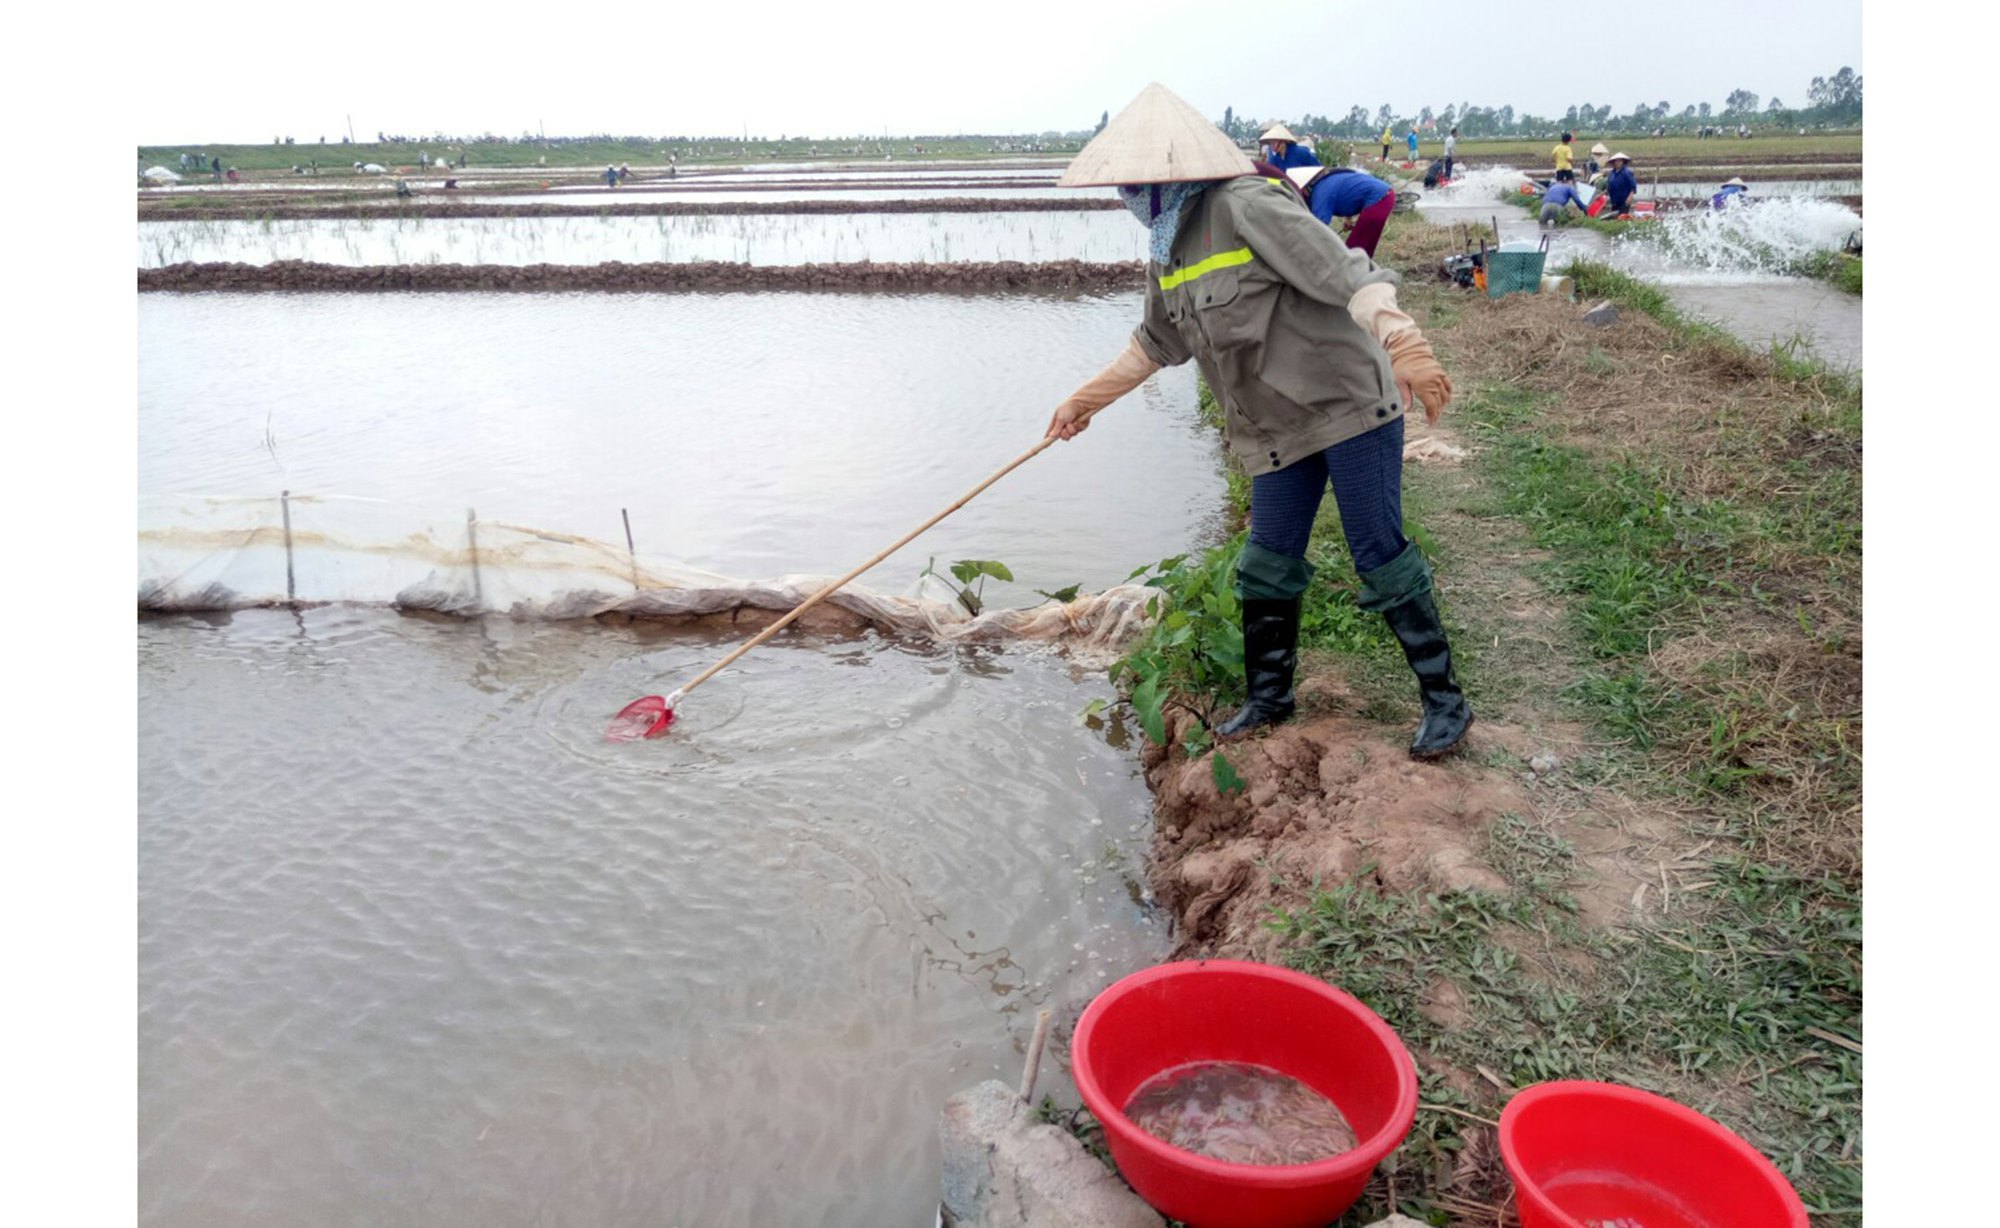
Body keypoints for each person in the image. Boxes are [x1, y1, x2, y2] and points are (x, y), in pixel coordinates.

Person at [1047, 84, 1471, 758]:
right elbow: (1156, 345)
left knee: (1377, 552)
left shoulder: (1249, 205)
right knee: (1267, 562)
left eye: (1135, 180)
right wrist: (1083, 403)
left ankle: (1445, 702)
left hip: (1346, 407)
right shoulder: (1169, 248)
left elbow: (1345, 274)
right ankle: (1269, 698)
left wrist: (1406, 344)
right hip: (1275, 431)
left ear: (1168, 175)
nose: (1126, 193)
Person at [1286, 165, 1396, 257]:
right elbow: (1350, 191)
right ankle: (1365, 274)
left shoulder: (1321, 192)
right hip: (1386, 195)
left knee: (1354, 249)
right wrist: (1348, 218)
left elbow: (1319, 227)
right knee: (1365, 247)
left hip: (1379, 198)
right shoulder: (1326, 182)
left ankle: (1354, 277)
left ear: (1304, 187)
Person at [1599, 152, 1638, 218]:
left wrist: (1630, 197)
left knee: (1622, 217)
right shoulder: (1611, 174)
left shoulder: (1627, 172)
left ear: (1623, 162)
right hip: (1614, 200)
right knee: (1615, 217)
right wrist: (1600, 194)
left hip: (1624, 200)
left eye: (1619, 161)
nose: (1617, 163)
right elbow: (1609, 187)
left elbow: (1633, 186)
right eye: (1615, 161)